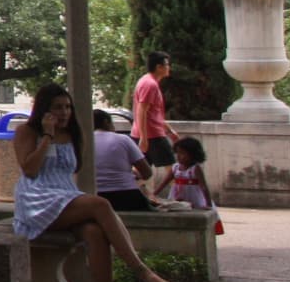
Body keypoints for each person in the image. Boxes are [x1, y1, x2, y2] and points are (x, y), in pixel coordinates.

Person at [13, 83, 178, 282]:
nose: (64, 112)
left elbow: (73, 169)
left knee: (94, 232)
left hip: (65, 195)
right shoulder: (26, 131)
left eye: (67, 107)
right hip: (36, 199)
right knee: (100, 203)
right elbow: (30, 170)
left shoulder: (73, 134)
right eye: (57, 107)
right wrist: (47, 136)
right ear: (44, 109)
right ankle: (143, 273)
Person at [131, 51, 179, 196]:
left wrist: (169, 130)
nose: (169, 67)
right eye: (167, 65)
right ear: (159, 67)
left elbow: (153, 113)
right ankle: (180, 196)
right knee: (172, 170)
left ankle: (138, 195)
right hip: (152, 135)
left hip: (149, 133)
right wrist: (144, 138)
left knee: (140, 171)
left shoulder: (148, 82)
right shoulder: (150, 84)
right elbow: (142, 110)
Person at [91, 109, 155, 211]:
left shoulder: (82, 142)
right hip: (126, 195)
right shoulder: (123, 139)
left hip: (93, 196)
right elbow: (147, 173)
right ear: (106, 122)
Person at [166, 136, 219, 209]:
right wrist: (153, 195)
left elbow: (204, 187)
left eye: (182, 153)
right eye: (177, 153)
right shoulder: (175, 168)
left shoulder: (195, 168)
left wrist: (208, 203)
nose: (178, 156)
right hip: (177, 197)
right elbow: (164, 182)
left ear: (193, 154)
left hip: (194, 198)